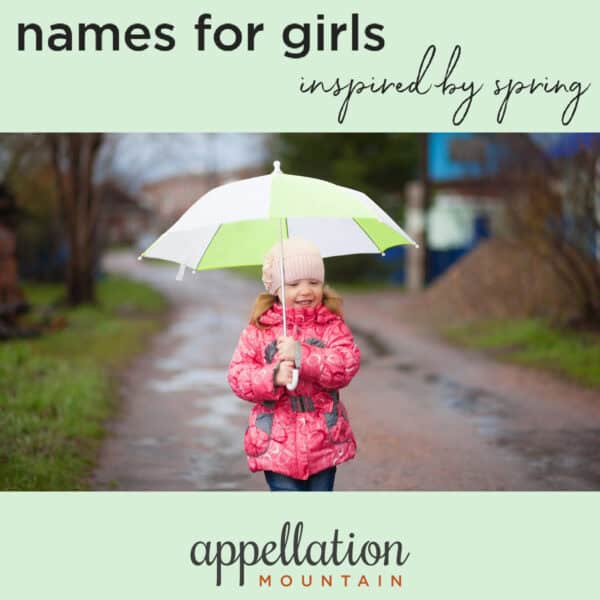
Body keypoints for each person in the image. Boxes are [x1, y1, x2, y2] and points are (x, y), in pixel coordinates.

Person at [227, 238, 361, 492]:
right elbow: (238, 375)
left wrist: (302, 355)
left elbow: (345, 365)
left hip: (323, 440)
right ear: (275, 289)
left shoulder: (331, 326)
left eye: (314, 282)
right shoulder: (258, 330)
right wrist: (273, 376)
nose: (305, 291)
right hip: (276, 443)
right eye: (293, 284)